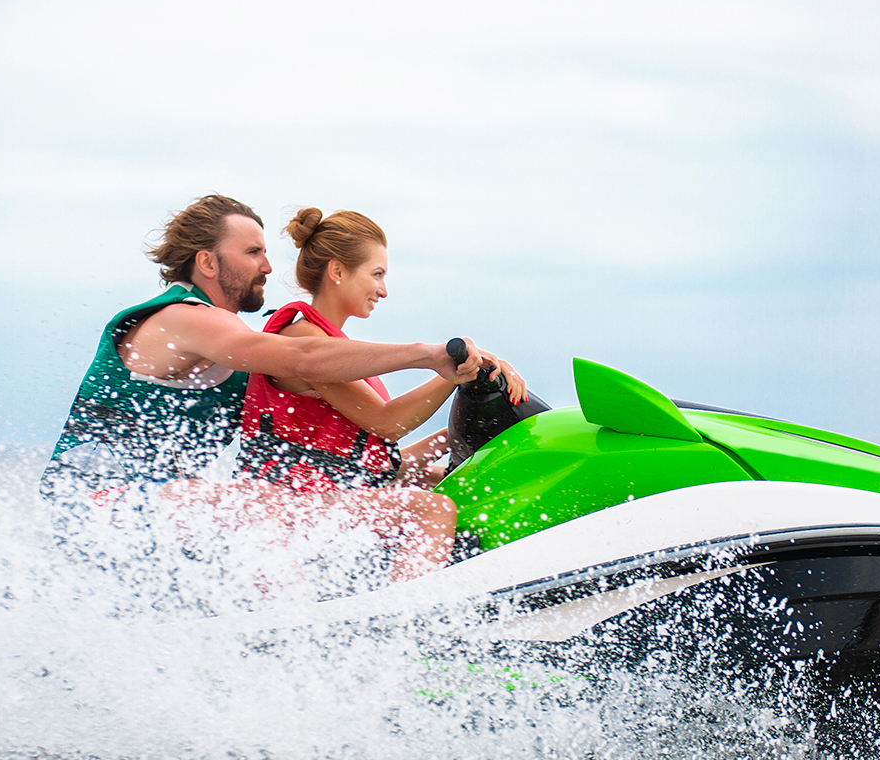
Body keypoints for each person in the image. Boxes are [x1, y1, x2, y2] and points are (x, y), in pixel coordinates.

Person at [41, 194, 507, 578]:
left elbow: (345, 433)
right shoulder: (184, 319)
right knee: (263, 502)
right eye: (252, 253)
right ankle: (313, 637)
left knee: (269, 505)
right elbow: (304, 357)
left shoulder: (235, 346)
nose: (268, 266)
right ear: (207, 262)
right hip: (96, 501)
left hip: (163, 509)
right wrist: (428, 355)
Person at [233, 208, 525, 578]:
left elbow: (379, 462)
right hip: (280, 507)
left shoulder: (337, 346)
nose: (383, 290)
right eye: (377, 274)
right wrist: (459, 373)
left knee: (450, 487)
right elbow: (388, 422)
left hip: (320, 498)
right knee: (431, 510)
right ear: (337, 272)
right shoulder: (302, 339)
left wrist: (461, 438)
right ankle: (405, 628)